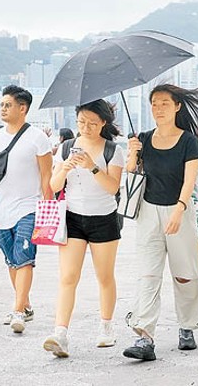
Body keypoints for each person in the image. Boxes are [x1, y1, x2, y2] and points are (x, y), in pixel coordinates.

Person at [123, 84, 198, 362]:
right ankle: (144, 335)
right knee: (148, 275)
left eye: (164, 103)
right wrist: (132, 152)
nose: (158, 108)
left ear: (177, 107)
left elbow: (190, 180)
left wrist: (179, 209)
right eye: (154, 103)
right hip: (148, 213)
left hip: (180, 212)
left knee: (185, 273)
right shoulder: (144, 139)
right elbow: (130, 174)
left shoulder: (188, 141)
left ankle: (187, 325)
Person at [43, 99, 124, 358]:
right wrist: (64, 168)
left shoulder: (113, 150)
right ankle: (60, 333)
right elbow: (54, 186)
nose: (86, 128)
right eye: (81, 122)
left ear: (103, 123)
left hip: (103, 218)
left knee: (104, 276)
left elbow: (113, 187)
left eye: (92, 123)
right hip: (72, 218)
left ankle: (106, 326)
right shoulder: (66, 147)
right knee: (68, 277)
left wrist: (92, 166)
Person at [0, 85, 53, 334]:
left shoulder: (38, 138)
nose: (3, 109)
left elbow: (46, 177)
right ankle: (26, 304)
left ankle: (18, 311)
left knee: (24, 258)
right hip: (2, 211)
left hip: (29, 207)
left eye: (8, 105)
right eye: (1, 105)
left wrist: (49, 211)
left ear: (23, 108)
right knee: (11, 260)